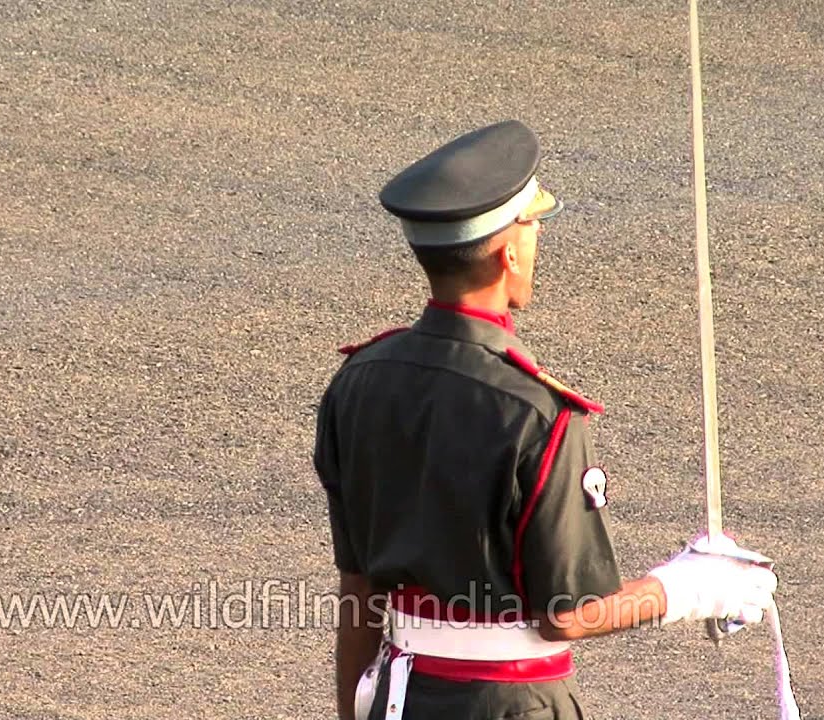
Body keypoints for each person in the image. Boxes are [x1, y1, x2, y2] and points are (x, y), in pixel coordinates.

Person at [312, 120, 779, 720]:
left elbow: (359, 591)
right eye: (533, 224)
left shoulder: (359, 382)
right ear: (509, 250)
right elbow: (565, 612)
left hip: (396, 701)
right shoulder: (536, 412)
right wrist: (692, 588)